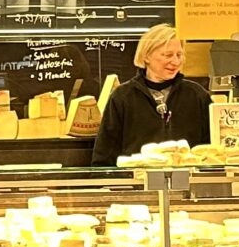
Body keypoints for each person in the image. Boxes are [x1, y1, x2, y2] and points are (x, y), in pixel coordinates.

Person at [92, 24, 214, 161]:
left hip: (187, 180)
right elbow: (104, 156)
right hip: (136, 179)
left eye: (179, 55)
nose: (175, 61)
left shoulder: (197, 95)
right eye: (168, 55)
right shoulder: (122, 97)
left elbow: (213, 151)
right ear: (146, 57)